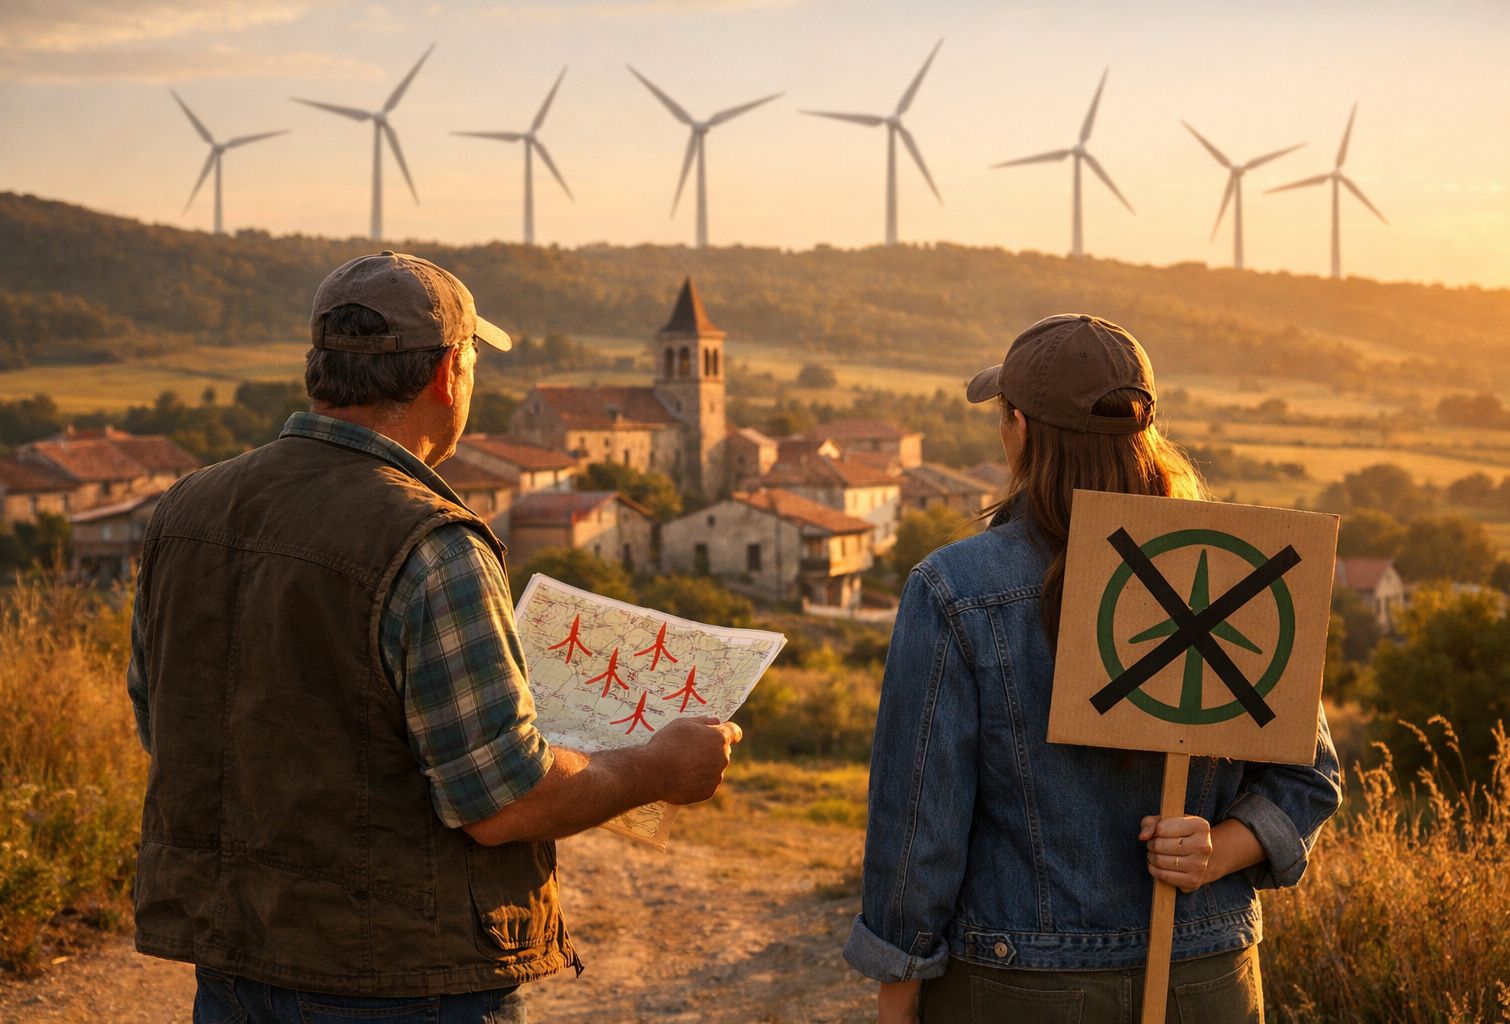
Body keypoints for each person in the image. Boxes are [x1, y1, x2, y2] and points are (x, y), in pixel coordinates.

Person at [127, 251, 742, 1023]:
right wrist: (659, 766)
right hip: (401, 983)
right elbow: (504, 803)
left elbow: (167, 725)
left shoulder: (185, 511)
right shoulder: (431, 544)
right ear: (450, 373)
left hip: (232, 964)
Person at [844, 314, 1342, 1023]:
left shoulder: (955, 588)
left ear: (1017, 426)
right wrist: (1219, 850)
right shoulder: (1238, 567)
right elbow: (1310, 775)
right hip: (1207, 981)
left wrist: (897, 997)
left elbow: (917, 830)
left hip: (1019, 990)